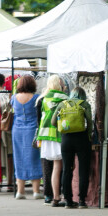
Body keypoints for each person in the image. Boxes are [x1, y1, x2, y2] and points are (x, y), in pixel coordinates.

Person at [51, 87, 93, 209]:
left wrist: (63, 127)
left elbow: (53, 122)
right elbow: (89, 121)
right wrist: (89, 134)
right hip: (82, 139)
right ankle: (81, 201)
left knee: (67, 170)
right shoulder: (84, 104)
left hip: (66, 140)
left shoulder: (62, 104)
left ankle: (68, 200)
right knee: (83, 170)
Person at [36, 75, 68, 207]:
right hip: (59, 135)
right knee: (62, 166)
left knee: (52, 166)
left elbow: (39, 120)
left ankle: (53, 196)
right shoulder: (65, 98)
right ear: (60, 84)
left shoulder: (42, 99)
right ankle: (63, 196)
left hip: (45, 136)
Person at [10, 75, 43, 199]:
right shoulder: (36, 98)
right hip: (32, 130)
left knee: (19, 158)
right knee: (34, 158)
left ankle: (20, 191)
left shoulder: (14, 97)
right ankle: (36, 191)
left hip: (17, 130)